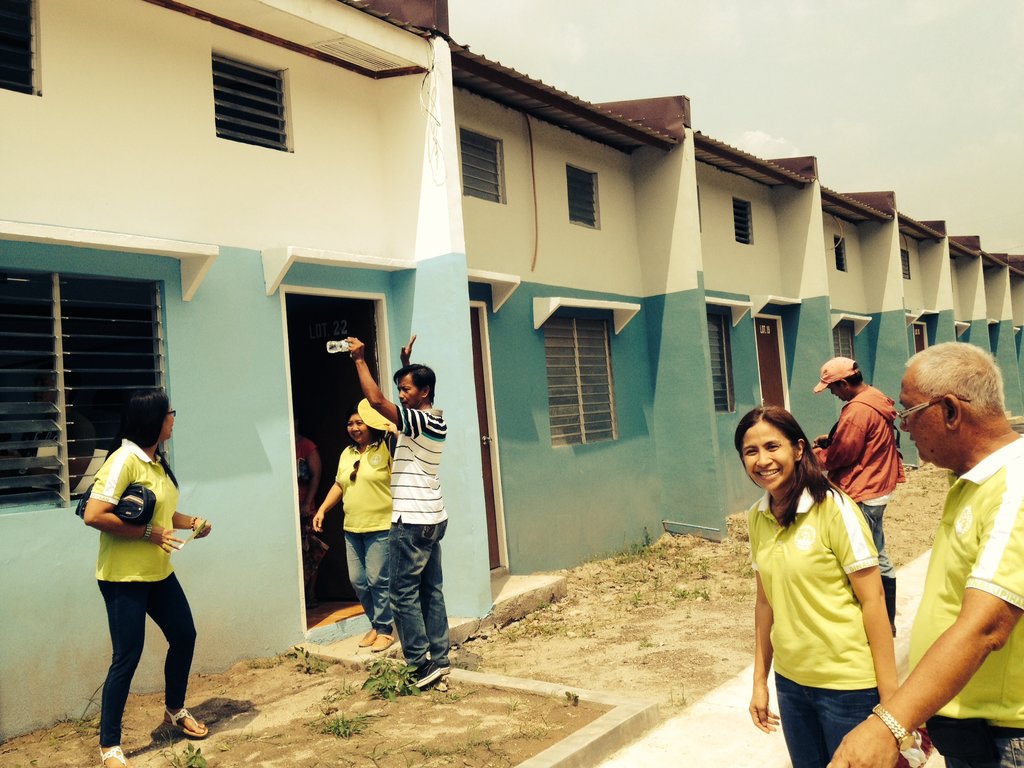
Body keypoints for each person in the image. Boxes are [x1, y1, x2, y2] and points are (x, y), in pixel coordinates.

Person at [829, 342, 1024, 768]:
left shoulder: (1016, 488)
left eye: (909, 412)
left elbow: (986, 626)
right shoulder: (974, 482)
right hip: (973, 731)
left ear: (950, 411)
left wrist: (889, 724)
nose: (903, 426)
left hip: (1005, 741)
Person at [736, 405, 897, 768]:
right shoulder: (757, 516)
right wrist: (760, 682)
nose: (763, 460)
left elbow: (874, 601)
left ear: (798, 449)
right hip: (791, 685)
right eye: (750, 451)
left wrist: (891, 705)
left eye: (772, 447)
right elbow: (765, 603)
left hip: (848, 687)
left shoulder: (834, 508)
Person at [82, 390, 212, 768]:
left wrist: (192, 522)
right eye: (170, 413)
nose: (173, 419)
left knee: (184, 635)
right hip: (123, 577)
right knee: (127, 656)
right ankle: (110, 746)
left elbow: (159, 513)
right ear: (154, 420)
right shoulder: (124, 460)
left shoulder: (156, 461)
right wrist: (148, 534)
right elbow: (94, 514)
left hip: (158, 573)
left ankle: (175, 710)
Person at [345, 334, 451, 690]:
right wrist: (407, 363)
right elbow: (400, 399)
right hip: (432, 517)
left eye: (406, 389)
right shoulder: (433, 420)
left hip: (412, 520)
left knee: (401, 593)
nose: (401, 394)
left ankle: (419, 665)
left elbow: (376, 401)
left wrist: (360, 359)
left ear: (424, 392)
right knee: (430, 590)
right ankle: (440, 658)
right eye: (400, 389)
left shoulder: (419, 421)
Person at [813, 356, 906, 635]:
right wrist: (832, 439)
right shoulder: (874, 397)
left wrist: (815, 455)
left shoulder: (857, 411)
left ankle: (877, 622)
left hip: (862, 490)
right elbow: (863, 440)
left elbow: (842, 455)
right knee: (878, 551)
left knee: (861, 558)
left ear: (844, 383)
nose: (832, 393)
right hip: (878, 486)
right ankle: (886, 621)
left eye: (832, 387)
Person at [312, 401, 396, 652]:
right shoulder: (347, 454)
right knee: (358, 581)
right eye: (350, 423)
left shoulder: (386, 448)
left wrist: (393, 429)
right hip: (352, 528)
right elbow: (339, 485)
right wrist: (322, 509)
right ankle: (376, 624)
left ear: (370, 424)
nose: (354, 427)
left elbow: (404, 453)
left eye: (359, 422)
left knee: (377, 579)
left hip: (381, 526)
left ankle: (385, 630)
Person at [294, 420, 326, 607]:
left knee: (311, 551)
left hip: (305, 507)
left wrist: (307, 503)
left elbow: (316, 475)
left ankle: (311, 593)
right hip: (289, 508)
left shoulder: (306, 445)